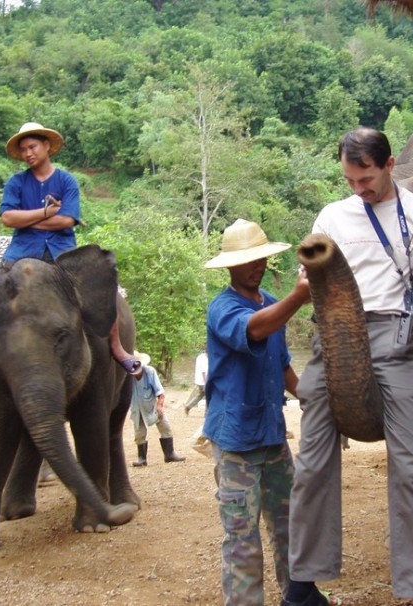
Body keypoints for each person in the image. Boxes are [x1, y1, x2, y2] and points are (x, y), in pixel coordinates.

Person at [283, 128, 413, 606]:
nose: (358, 189)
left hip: (396, 336)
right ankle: (303, 585)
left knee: (411, 466)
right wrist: (306, 279)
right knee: (311, 464)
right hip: (335, 336)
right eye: (350, 180)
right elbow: (311, 277)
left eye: (366, 178)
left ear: (390, 166)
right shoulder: (332, 216)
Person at [0, 122, 139, 399]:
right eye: (23, 150)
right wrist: (46, 213)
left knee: (105, 290)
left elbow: (68, 220)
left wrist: (30, 219)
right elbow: (8, 218)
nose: (28, 153)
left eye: (32, 147)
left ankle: (118, 348)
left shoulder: (67, 181)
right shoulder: (16, 182)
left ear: (47, 146)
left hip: (63, 253)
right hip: (21, 253)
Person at [203, 218, 311, 606]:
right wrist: (297, 298)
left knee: (291, 526)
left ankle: (298, 597)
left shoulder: (268, 301)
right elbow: (253, 331)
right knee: (242, 538)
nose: (257, 265)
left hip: (272, 438)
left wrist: (308, 396)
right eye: (248, 260)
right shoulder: (223, 308)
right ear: (230, 266)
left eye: (261, 258)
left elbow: (281, 366)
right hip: (236, 443)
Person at [128, 351, 186, 467]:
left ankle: (170, 454)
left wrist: (159, 406)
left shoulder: (149, 372)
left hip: (152, 406)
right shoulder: (127, 377)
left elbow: (160, 393)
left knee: (165, 427)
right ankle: (142, 458)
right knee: (139, 434)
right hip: (137, 409)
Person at [183, 349, 208, 414]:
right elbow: (204, 372)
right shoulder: (205, 359)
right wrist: (206, 382)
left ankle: (188, 406)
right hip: (203, 381)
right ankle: (207, 413)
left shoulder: (199, 357)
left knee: (201, 394)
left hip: (199, 380)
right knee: (209, 395)